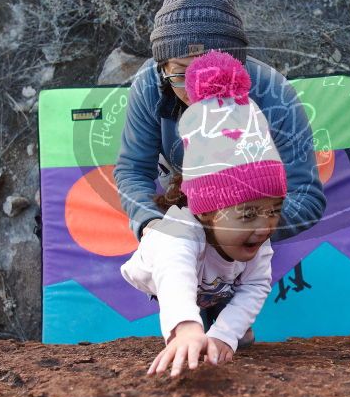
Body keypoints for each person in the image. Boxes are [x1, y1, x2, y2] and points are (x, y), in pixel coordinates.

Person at [115, 0, 325, 245]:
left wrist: (237, 226)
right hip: (182, 209)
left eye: (209, 72)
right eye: (180, 73)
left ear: (237, 66)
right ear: (163, 67)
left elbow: (306, 197)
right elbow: (133, 169)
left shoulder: (274, 94)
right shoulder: (151, 83)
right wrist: (150, 223)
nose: (194, 88)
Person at [120, 50, 286, 377]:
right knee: (184, 275)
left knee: (233, 299)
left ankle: (220, 315)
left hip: (214, 281)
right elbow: (174, 276)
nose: (265, 226)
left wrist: (225, 333)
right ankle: (204, 315)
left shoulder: (256, 239)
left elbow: (256, 284)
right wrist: (185, 328)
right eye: (248, 213)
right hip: (163, 270)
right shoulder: (179, 234)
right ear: (208, 212)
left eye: (274, 210)